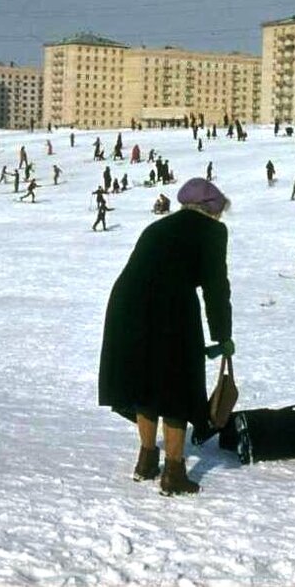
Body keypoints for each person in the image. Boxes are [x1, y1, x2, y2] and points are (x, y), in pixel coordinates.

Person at [98, 177, 233, 496]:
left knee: (146, 383)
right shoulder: (212, 231)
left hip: (126, 306)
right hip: (170, 308)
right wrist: (223, 336)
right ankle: (173, 472)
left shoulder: (157, 227)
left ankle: (146, 462)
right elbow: (215, 286)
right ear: (211, 208)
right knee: (176, 387)